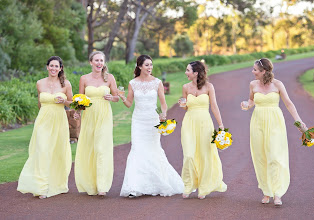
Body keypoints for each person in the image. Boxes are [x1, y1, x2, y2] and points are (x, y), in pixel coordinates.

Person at [240, 58, 307, 206]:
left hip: (275, 123)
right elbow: (251, 101)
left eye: (255, 70)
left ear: (264, 71)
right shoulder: (252, 84)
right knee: (260, 156)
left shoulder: (278, 84)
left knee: (275, 156)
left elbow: (289, 104)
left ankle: (277, 193)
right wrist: (246, 105)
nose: (253, 72)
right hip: (257, 122)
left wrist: (298, 121)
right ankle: (266, 191)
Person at [118, 55, 184, 197]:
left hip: (152, 120)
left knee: (153, 149)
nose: (150, 68)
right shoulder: (132, 83)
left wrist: (164, 114)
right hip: (138, 121)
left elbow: (163, 103)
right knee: (136, 149)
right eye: (147, 65)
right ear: (140, 66)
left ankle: (158, 183)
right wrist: (122, 97)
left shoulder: (157, 82)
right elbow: (129, 103)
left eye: (151, 65)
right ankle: (134, 187)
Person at [17, 56, 73, 199]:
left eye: (56, 66)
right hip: (43, 121)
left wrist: (64, 101)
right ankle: (41, 187)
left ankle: (58, 184)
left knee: (57, 151)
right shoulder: (40, 83)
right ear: (47, 67)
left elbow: (72, 103)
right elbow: (40, 103)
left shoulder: (66, 84)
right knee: (42, 150)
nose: (54, 68)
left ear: (60, 68)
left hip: (59, 120)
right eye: (51, 66)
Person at [178, 60, 227, 200]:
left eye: (188, 70)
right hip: (189, 123)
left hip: (205, 123)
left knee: (205, 154)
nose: (186, 73)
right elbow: (185, 106)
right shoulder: (185, 87)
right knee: (188, 155)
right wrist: (182, 104)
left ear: (196, 73)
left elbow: (214, 107)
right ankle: (189, 185)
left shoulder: (209, 87)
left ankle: (204, 187)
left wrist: (221, 125)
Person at [74, 51, 119, 196]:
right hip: (89, 116)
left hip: (104, 115)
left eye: (102, 60)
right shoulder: (84, 79)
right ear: (91, 62)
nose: (100, 63)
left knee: (101, 148)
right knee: (90, 148)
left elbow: (117, 97)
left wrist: (112, 97)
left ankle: (102, 186)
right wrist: (77, 112)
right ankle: (90, 183)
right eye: (97, 60)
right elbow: (80, 100)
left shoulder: (109, 78)